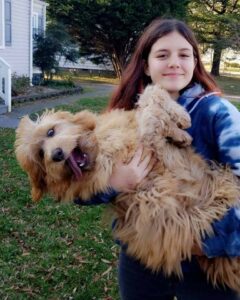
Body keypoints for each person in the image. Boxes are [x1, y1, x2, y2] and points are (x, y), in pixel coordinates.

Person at [74, 18, 240, 300]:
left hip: (207, 258)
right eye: (162, 55)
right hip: (143, 254)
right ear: (147, 65)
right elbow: (76, 188)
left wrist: (204, 243)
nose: (174, 62)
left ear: (195, 63)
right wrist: (113, 182)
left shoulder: (217, 113)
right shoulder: (122, 116)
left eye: (184, 54)